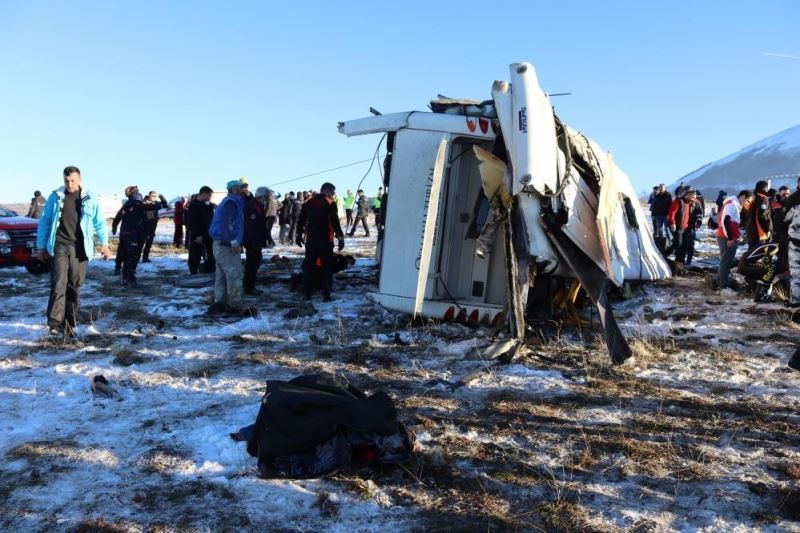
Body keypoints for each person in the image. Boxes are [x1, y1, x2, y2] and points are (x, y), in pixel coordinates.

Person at [35, 166, 111, 337]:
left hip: (81, 247)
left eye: (73, 180)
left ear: (79, 179)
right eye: (66, 180)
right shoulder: (56, 197)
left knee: (75, 284)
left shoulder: (89, 198)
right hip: (59, 244)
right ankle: (55, 323)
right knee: (58, 283)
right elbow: (45, 221)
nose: (69, 184)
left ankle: (70, 322)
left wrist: (104, 244)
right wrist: (41, 246)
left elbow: (99, 222)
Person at [296, 182, 345, 301]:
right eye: (333, 192)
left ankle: (306, 294)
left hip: (311, 240)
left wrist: (298, 235)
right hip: (325, 240)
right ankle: (326, 295)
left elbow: (301, 219)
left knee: (309, 266)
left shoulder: (308, 202)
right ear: (327, 191)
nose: (334, 195)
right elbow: (334, 221)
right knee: (327, 267)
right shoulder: (330, 203)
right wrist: (340, 237)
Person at [208, 180, 247, 313]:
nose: (242, 190)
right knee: (234, 275)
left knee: (221, 277)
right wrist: (234, 241)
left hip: (219, 244)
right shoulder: (231, 203)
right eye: (240, 188)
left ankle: (220, 304)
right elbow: (227, 224)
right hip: (226, 245)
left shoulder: (229, 201)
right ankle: (235, 306)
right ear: (234, 190)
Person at [115, 190, 166, 286]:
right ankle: (130, 278)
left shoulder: (126, 205)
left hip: (124, 234)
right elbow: (161, 206)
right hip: (134, 235)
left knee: (126, 256)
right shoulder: (140, 205)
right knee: (134, 256)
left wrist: (114, 226)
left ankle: (125, 276)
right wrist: (162, 200)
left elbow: (117, 217)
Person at [715, 191, 746, 290]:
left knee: (725, 260)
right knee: (726, 262)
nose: (746, 203)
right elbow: (725, 221)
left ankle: (719, 281)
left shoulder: (732, 204)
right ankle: (723, 284)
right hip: (727, 237)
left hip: (726, 236)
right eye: (747, 200)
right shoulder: (731, 204)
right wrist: (730, 238)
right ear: (743, 197)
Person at [243, 186, 268, 296]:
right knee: (251, 264)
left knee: (255, 263)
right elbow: (251, 227)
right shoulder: (252, 206)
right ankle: (248, 287)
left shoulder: (259, 206)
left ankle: (251, 286)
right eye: (266, 197)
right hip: (252, 242)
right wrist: (256, 243)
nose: (267, 199)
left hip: (257, 241)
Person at [186, 186, 216, 275]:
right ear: (204, 194)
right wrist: (197, 235)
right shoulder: (194, 205)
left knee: (211, 253)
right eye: (209, 195)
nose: (210, 198)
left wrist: (210, 206)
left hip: (208, 233)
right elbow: (192, 222)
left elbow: (209, 218)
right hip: (198, 234)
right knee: (195, 255)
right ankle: (193, 272)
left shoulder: (206, 205)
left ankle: (208, 270)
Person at [112, 185, 140, 275]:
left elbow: (118, 216)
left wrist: (114, 226)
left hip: (126, 232)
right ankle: (126, 271)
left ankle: (118, 268)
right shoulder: (136, 203)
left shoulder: (128, 203)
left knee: (122, 251)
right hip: (131, 233)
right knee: (129, 253)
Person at [666, 188, 697, 265]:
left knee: (683, 245)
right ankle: (665, 254)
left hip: (685, 227)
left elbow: (697, 205)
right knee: (678, 243)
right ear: (687, 194)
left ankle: (679, 260)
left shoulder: (690, 203)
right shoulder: (679, 201)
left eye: (693, 196)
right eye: (691, 196)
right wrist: (672, 223)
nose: (693, 197)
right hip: (676, 226)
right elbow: (671, 213)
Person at [746, 180, 772, 247]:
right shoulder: (763, 198)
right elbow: (762, 215)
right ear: (765, 188)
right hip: (760, 232)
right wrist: (767, 229)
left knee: (752, 253)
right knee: (759, 253)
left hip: (750, 231)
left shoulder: (750, 198)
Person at [140, 190, 161, 263]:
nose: (155, 198)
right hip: (144, 226)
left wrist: (161, 197)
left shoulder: (156, 204)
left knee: (149, 243)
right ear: (149, 196)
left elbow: (163, 204)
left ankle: (145, 257)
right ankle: (136, 257)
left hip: (152, 226)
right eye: (153, 196)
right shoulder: (143, 203)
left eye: (156, 196)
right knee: (141, 243)